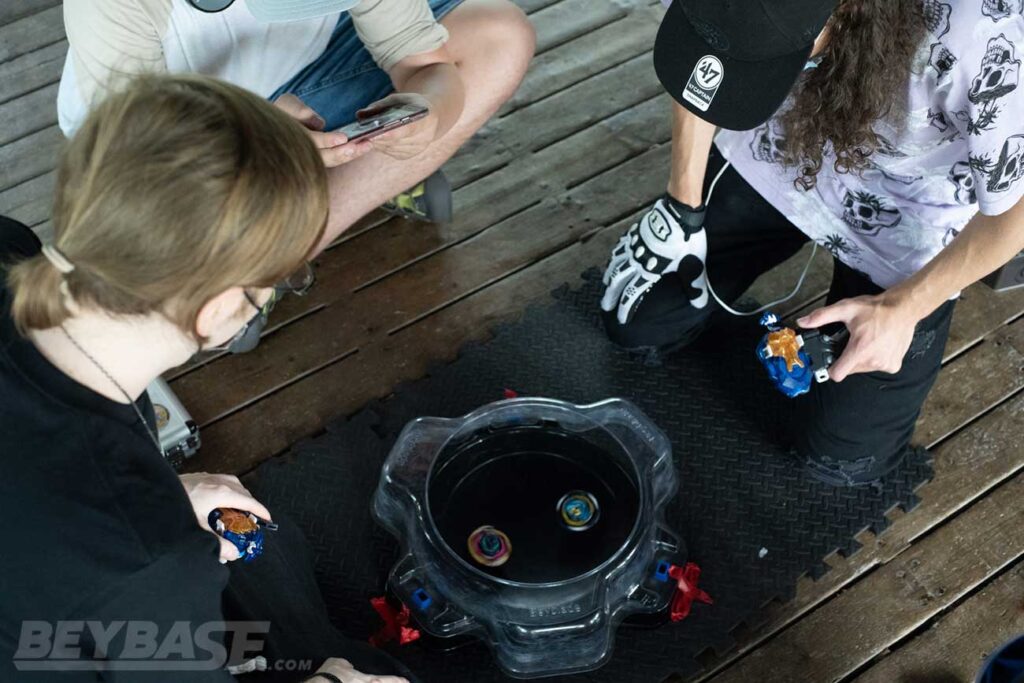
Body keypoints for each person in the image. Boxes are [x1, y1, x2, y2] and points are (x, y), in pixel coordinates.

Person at [1, 74, 414, 682]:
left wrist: (170, 501)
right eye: (284, 276)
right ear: (218, 311)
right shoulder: (150, 566)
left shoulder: (9, 247)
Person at [600, 0, 1024, 485]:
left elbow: (1015, 213)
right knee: (637, 320)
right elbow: (707, 56)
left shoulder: (985, 37)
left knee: (840, 463)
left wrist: (904, 309)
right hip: (787, 145)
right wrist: (681, 204)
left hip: (913, 207)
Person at [58, 0, 535, 249]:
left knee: (500, 32)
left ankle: (277, 245)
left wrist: (429, 113)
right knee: (145, 223)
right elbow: (133, 170)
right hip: (167, 141)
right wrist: (255, 147)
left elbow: (424, 64)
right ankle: (255, 250)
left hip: (299, 77)